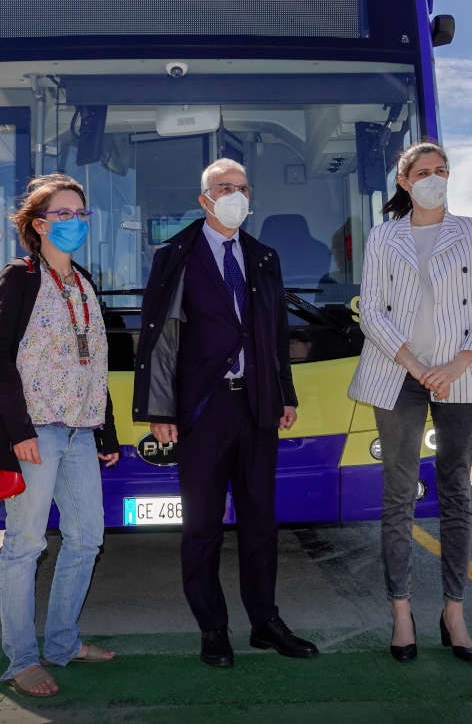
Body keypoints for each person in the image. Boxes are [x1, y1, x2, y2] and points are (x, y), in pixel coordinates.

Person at [132, 158, 318, 667]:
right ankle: (212, 628)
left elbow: (275, 333)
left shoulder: (262, 256)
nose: (235, 195)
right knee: (202, 526)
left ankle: (265, 623)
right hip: (201, 409)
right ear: (204, 199)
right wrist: (158, 408)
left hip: (256, 405)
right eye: (224, 187)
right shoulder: (175, 254)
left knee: (261, 521)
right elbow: (159, 336)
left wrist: (285, 394)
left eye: (242, 187)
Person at [347, 140, 472, 664]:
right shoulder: (383, 236)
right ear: (404, 181)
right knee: (398, 492)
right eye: (424, 172)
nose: (434, 178)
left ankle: (454, 612)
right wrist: (418, 367)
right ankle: (401, 612)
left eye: (442, 170)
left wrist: (455, 366)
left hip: (460, 374)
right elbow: (372, 312)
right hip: (397, 373)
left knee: (457, 489)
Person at [0, 174, 121, 697]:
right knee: (25, 546)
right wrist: (18, 430)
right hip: (36, 430)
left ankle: (63, 644)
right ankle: (21, 661)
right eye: (63, 214)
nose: (75, 222)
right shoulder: (20, 277)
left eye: (81, 214)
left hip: (81, 430)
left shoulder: (83, 282)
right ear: (39, 225)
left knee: (86, 538)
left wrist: (106, 433)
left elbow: (96, 362)